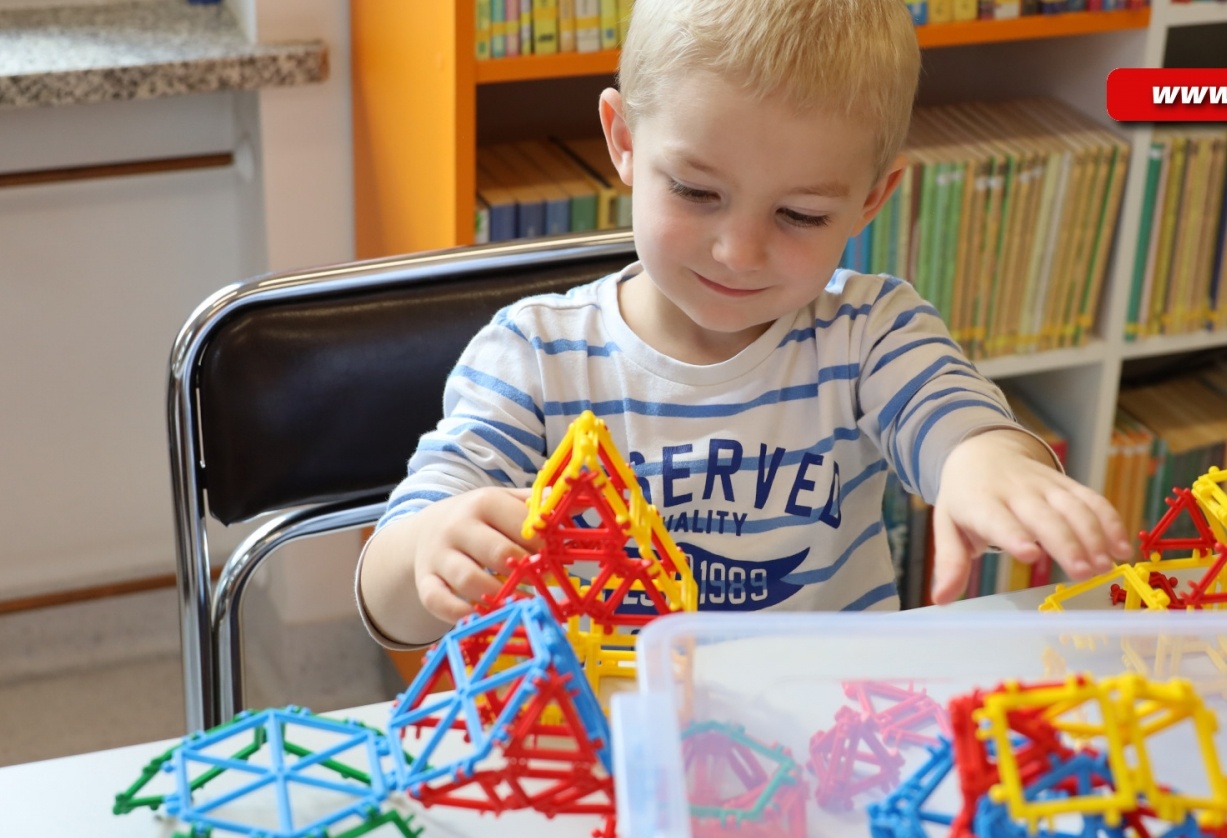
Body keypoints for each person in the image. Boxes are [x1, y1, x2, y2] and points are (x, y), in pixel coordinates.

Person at [356, 0, 1131, 650]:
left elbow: (955, 420)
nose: (739, 251)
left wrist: (984, 462)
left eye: (801, 214)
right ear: (624, 141)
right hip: (614, 736)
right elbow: (389, 602)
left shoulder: (871, 332)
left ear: (871, 199)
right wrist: (430, 548)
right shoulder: (533, 357)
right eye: (696, 193)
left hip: (826, 731)